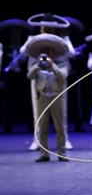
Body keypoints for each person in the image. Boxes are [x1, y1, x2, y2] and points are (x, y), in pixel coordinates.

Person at [21, 13, 75, 151]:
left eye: (51, 28)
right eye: (45, 27)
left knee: (62, 112)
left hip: (57, 76)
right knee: (37, 112)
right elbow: (23, 51)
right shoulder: (33, 39)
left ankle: (65, 140)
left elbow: (72, 53)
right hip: (38, 77)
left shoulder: (62, 40)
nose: (48, 30)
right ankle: (37, 140)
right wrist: (37, 41)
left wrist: (56, 43)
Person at [25, 33, 70, 162]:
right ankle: (44, 153)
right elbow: (29, 76)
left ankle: (62, 152)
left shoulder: (61, 65)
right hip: (42, 97)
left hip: (56, 97)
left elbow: (62, 76)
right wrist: (38, 65)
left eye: (49, 52)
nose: (46, 55)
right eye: (44, 53)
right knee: (42, 127)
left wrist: (52, 65)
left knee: (59, 127)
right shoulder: (37, 66)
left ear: (54, 54)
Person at [0, 18, 33, 134]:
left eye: (17, 31)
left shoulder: (25, 46)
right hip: (10, 76)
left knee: (28, 101)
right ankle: (7, 125)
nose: (15, 34)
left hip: (23, 76)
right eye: (12, 32)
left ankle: (31, 125)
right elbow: (2, 62)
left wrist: (24, 61)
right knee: (7, 102)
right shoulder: (4, 46)